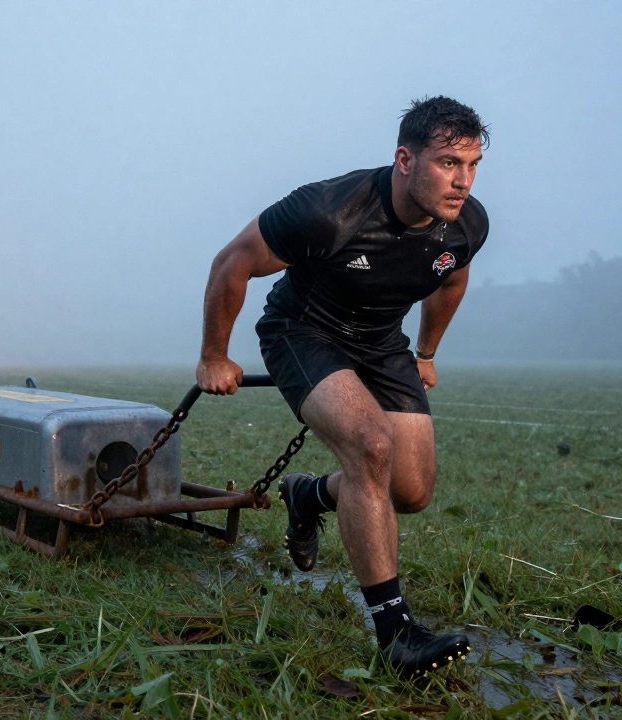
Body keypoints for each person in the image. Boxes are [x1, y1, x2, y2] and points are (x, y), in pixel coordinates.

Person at [196, 96, 489, 676]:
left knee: (411, 491)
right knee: (370, 447)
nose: (463, 182)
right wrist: (214, 355)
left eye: (473, 164)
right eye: (448, 163)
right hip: (302, 332)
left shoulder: (466, 223)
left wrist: (426, 351)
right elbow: (232, 262)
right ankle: (396, 632)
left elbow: (451, 277)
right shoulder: (328, 210)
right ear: (405, 159)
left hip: (381, 343)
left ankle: (310, 495)